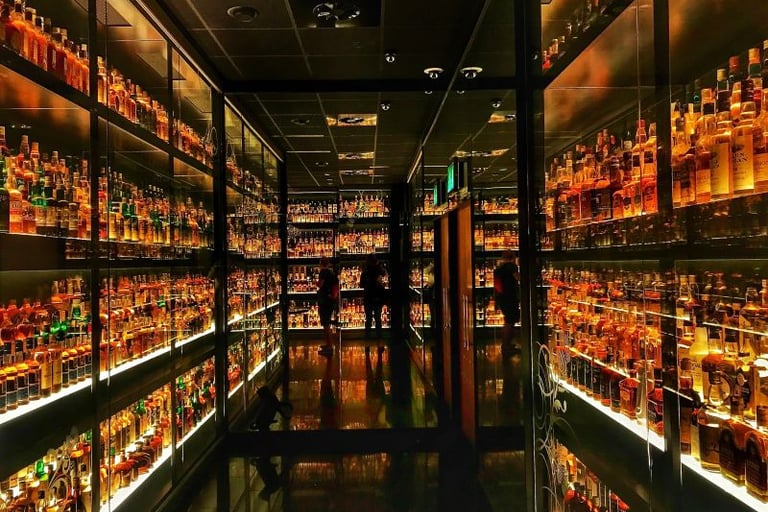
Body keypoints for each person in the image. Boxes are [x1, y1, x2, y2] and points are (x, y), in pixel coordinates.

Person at [493, 250, 520, 352]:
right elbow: (518, 278)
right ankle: (507, 346)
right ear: (513, 257)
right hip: (510, 297)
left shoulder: (499, 268)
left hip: (502, 297)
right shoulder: (512, 267)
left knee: (507, 321)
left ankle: (506, 344)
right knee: (510, 322)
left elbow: (496, 285)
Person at [360, 253, 387, 342]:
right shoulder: (379, 270)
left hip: (368, 297)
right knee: (378, 318)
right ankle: (379, 337)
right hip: (378, 297)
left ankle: (367, 337)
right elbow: (385, 274)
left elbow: (361, 284)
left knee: (368, 319)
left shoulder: (365, 271)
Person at [317, 257, 338, 355]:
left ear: (321, 264)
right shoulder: (331, 273)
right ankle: (328, 344)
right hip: (330, 301)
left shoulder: (323, 272)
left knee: (326, 324)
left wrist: (316, 283)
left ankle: (329, 347)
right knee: (327, 323)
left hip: (325, 301)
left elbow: (320, 285)